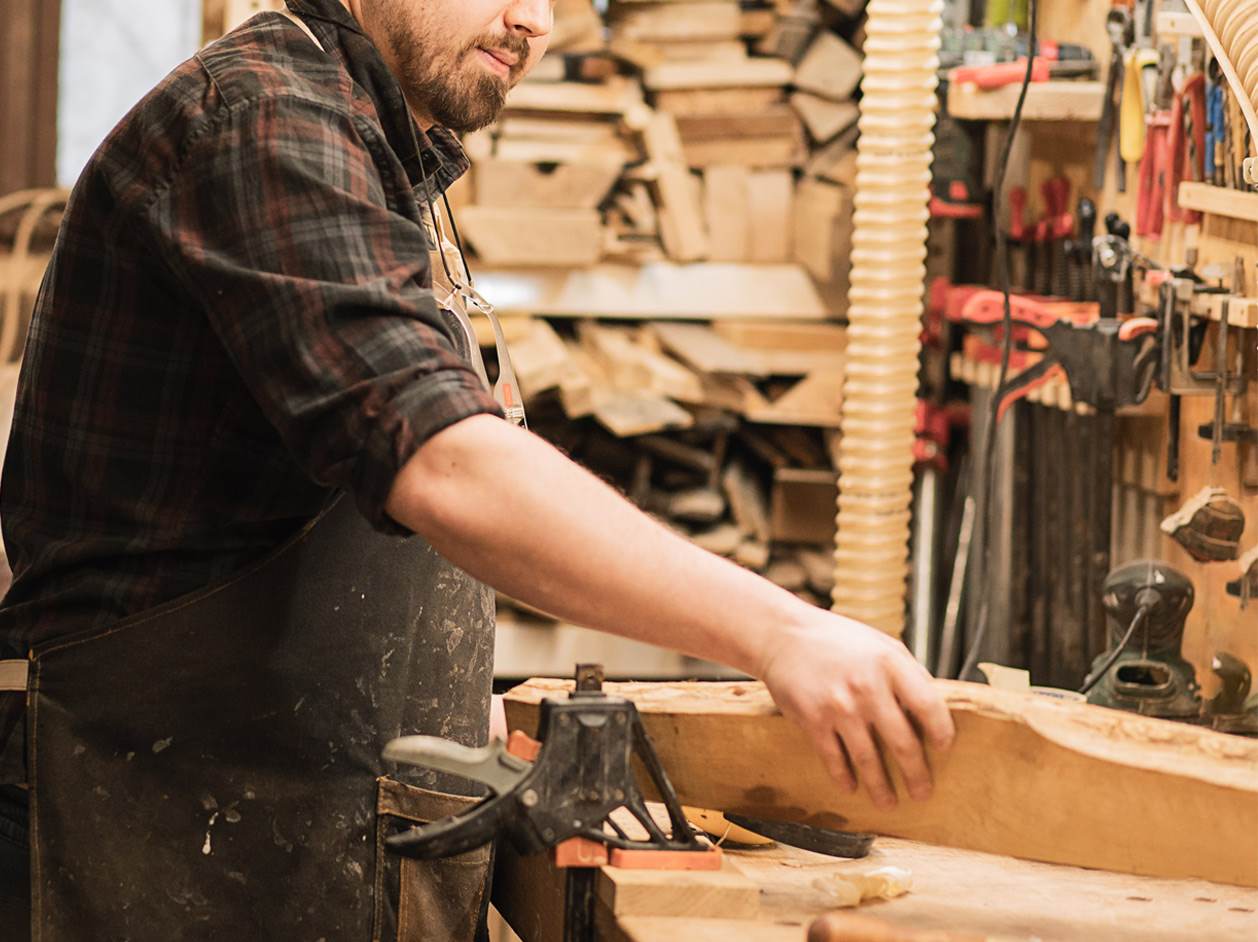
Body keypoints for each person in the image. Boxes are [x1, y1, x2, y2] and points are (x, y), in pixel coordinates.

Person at [0, 0, 955, 938]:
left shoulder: (379, 139)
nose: (535, 21)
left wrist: (441, 710)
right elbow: (441, 460)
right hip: (154, 830)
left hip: (286, 806)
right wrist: (782, 634)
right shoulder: (262, 121)